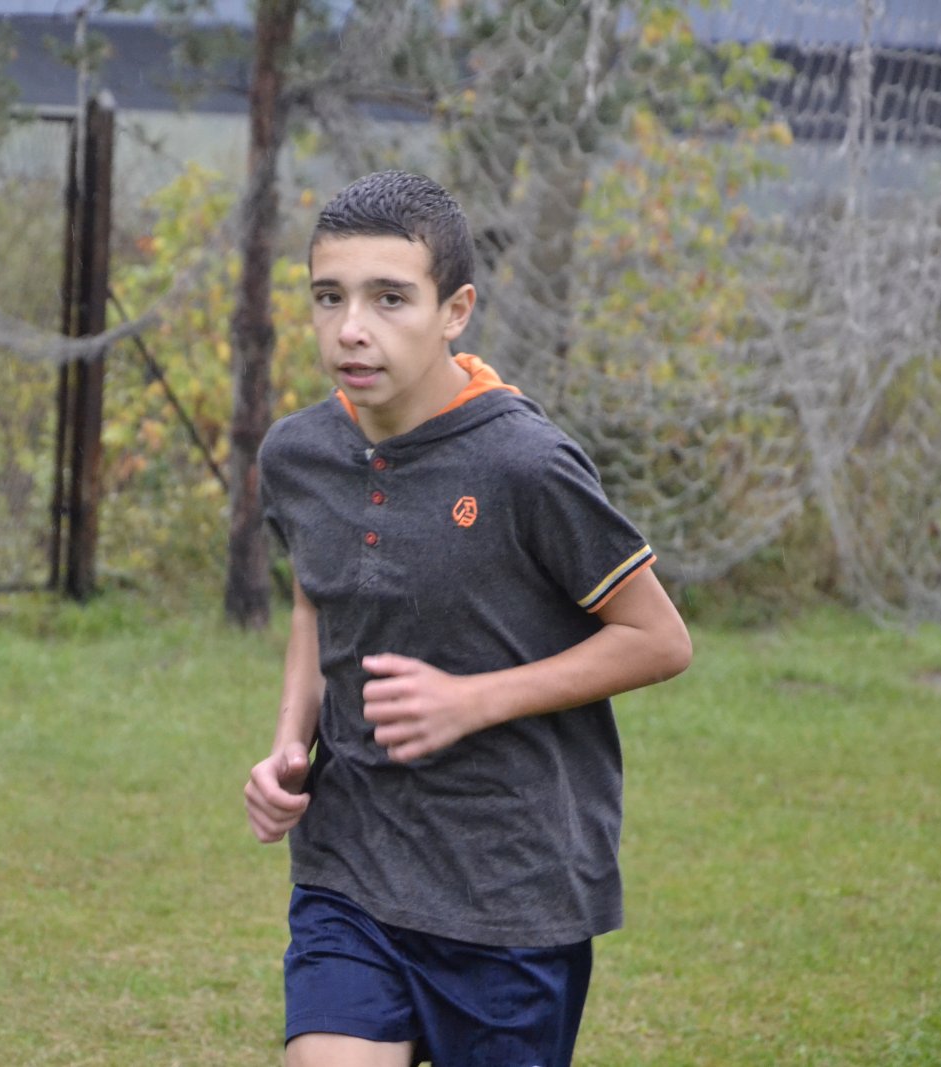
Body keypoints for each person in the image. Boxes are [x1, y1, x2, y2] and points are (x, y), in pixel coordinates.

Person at [245, 170, 693, 1067]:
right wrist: (289, 743)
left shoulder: (525, 463)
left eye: (389, 298)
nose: (352, 328)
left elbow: (659, 640)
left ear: (456, 310)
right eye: (329, 297)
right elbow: (312, 598)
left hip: (511, 890)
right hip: (351, 865)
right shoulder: (297, 454)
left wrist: (471, 699)